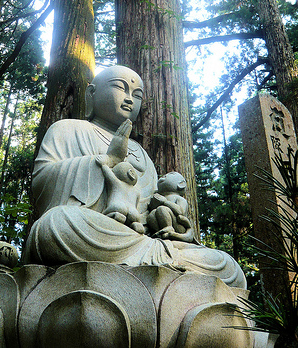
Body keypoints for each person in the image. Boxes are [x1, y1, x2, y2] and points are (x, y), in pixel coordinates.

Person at [25, 65, 246, 289]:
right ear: (91, 94)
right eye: (120, 88)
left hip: (143, 237)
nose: (130, 99)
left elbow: (151, 206)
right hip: (102, 229)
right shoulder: (68, 129)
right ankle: (161, 263)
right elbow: (43, 181)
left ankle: (158, 258)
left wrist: (170, 219)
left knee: (228, 266)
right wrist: (107, 160)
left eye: (137, 95)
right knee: (56, 224)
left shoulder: (141, 153)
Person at [147, 172, 195, 242]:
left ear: (181, 184)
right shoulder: (162, 196)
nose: (165, 175)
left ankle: (169, 228)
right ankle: (159, 232)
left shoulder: (179, 199)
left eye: (171, 174)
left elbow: (180, 211)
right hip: (161, 223)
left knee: (162, 209)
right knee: (151, 214)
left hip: (177, 225)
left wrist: (165, 202)